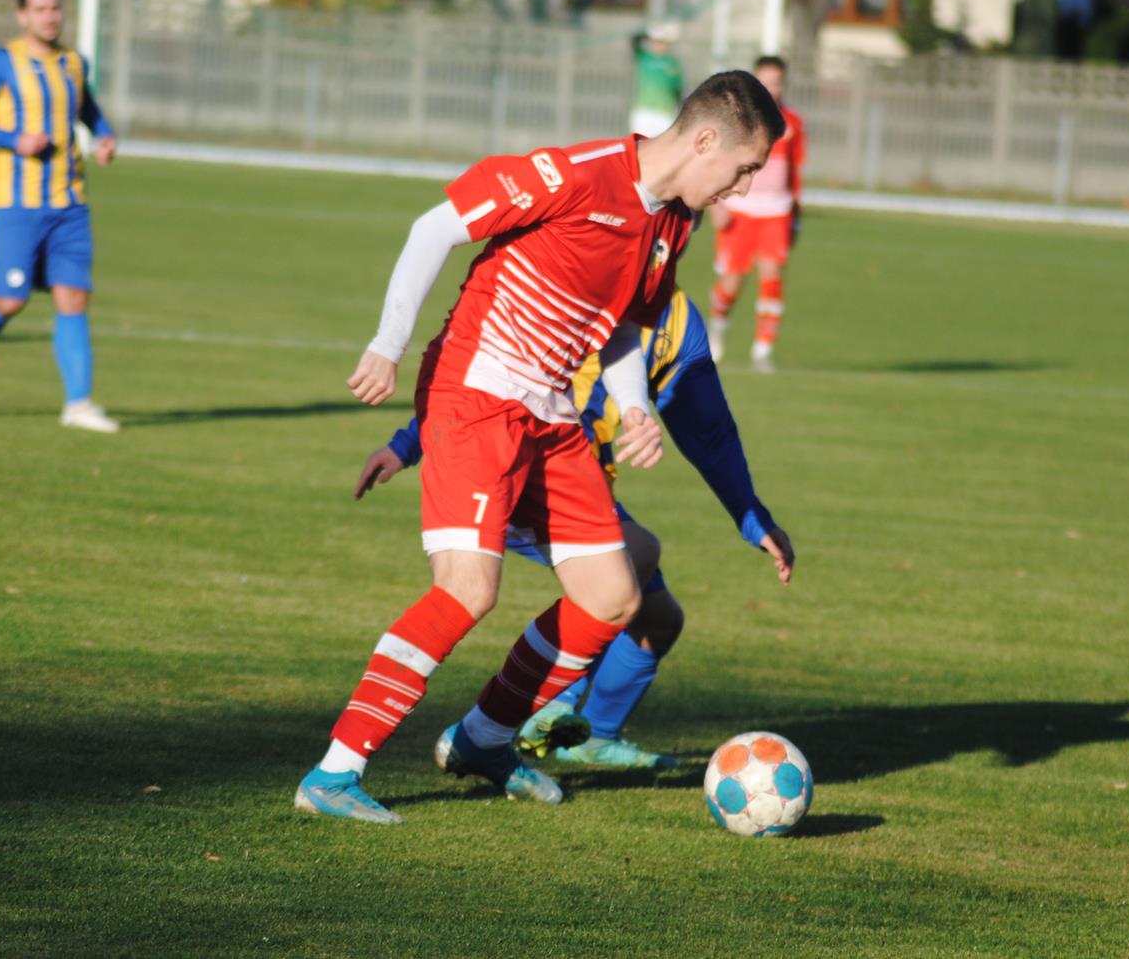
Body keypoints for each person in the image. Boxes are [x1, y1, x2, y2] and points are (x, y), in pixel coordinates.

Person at [295, 71, 784, 825]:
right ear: (706, 140)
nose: (743, 189)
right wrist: (387, 345)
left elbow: (626, 323)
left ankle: (484, 740)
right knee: (468, 588)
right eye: (744, 169)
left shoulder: (671, 224)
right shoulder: (576, 175)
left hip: (552, 417)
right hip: (476, 396)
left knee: (615, 594)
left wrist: (633, 407)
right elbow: (437, 226)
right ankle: (335, 769)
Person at [355, 286, 794, 770]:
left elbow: (708, 429)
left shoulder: (675, 322)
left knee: (657, 621)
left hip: (585, 487)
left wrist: (750, 514)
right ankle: (540, 710)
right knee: (638, 554)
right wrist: (406, 444)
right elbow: (490, 371)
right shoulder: (576, 277)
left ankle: (589, 737)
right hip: (521, 471)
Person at [0, 0, 121, 433]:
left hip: (71, 204)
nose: (50, 17)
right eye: (40, 9)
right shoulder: (2, 63)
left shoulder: (75, 63)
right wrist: (12, 140)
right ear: (22, 15)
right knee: (11, 299)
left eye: (55, 8)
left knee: (73, 298)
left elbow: (86, 107)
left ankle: (78, 404)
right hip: (17, 205)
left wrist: (103, 135)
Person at [708, 55, 806, 372]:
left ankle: (763, 350)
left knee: (772, 277)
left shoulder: (792, 124)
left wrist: (796, 212)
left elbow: (796, 172)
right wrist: (717, 203)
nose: (771, 88)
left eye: (777, 82)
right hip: (740, 210)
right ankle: (717, 327)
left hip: (776, 212)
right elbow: (718, 164)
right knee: (732, 282)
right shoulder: (739, 122)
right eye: (765, 82)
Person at [630, 21, 685, 139]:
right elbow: (634, 40)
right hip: (644, 111)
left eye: (662, 42)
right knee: (640, 146)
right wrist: (650, 31)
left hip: (664, 113)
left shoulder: (672, 63)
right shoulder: (644, 57)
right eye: (656, 42)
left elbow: (678, 89)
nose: (659, 45)